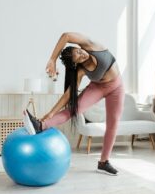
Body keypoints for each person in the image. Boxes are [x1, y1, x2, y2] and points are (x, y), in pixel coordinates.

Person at [23, 32, 124, 175]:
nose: (82, 54)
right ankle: (40, 125)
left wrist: (52, 59)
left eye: (78, 51)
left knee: (113, 123)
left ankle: (103, 162)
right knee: (73, 109)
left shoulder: (91, 46)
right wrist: (51, 112)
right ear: (77, 64)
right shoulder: (80, 70)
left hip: (117, 87)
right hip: (97, 88)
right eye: (79, 58)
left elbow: (66, 36)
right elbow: (68, 95)